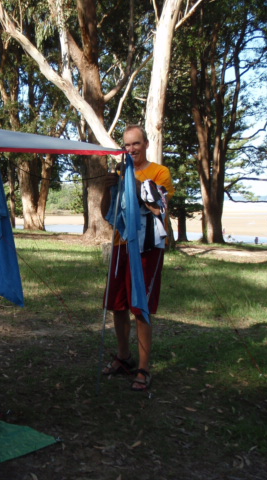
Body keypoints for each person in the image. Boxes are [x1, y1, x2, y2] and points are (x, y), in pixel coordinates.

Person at [101, 125, 174, 392]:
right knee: (117, 304)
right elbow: (106, 213)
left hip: (146, 248)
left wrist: (132, 181)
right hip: (121, 244)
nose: (131, 149)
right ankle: (124, 357)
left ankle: (144, 368)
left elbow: (159, 208)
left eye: (136, 144)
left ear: (146, 144)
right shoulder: (120, 174)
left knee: (140, 307)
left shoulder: (160, 172)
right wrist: (108, 188)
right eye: (127, 145)